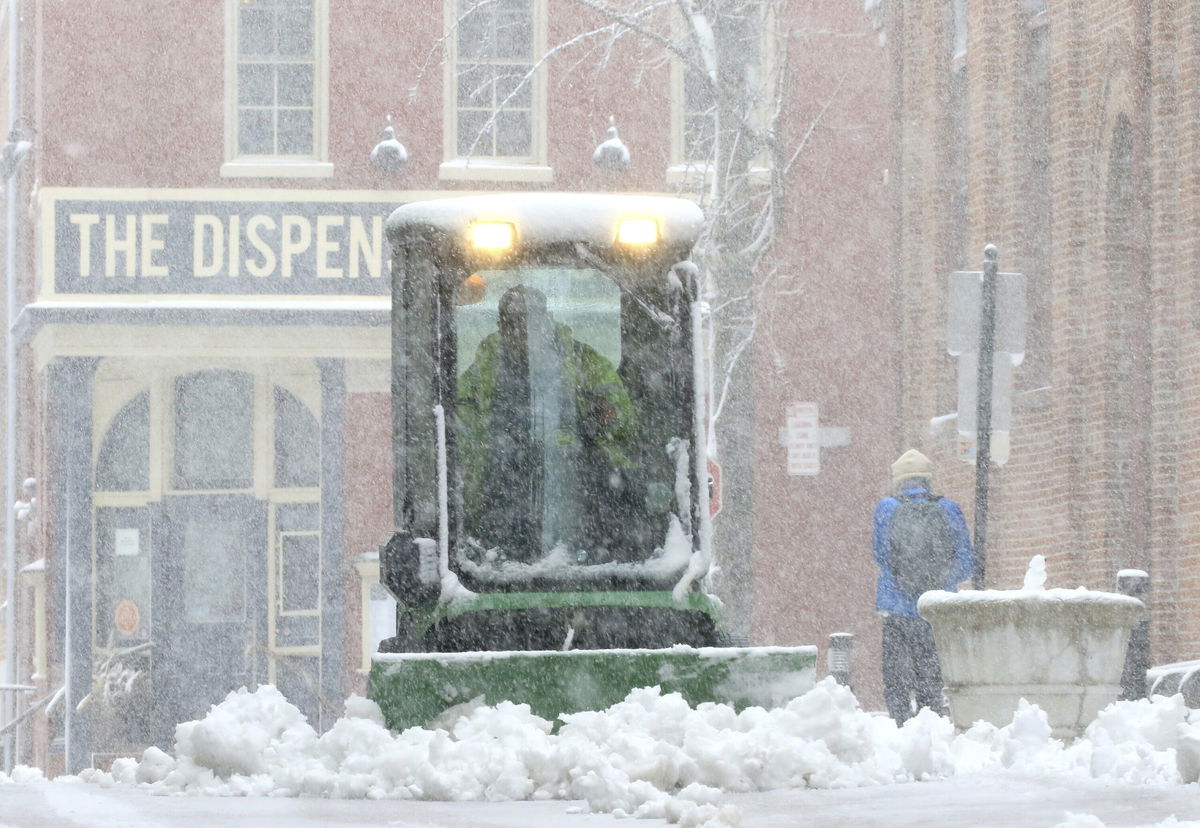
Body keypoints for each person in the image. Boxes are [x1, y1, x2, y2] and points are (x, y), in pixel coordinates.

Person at [456, 284, 634, 559]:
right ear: (501, 327)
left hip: (578, 490)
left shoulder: (584, 362)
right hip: (499, 497)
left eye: (530, 321)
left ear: (547, 320)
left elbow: (623, 417)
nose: (521, 332)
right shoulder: (483, 371)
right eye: (512, 323)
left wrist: (602, 417)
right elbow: (457, 426)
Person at [872, 448, 975, 724]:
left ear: (898, 480)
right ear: (928, 479)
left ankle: (901, 725)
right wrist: (940, 581)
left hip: (896, 609)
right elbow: (966, 561)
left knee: (896, 678)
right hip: (937, 610)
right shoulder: (949, 508)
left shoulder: (886, 508)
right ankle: (931, 724)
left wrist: (905, 579)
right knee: (932, 675)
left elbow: (881, 556)